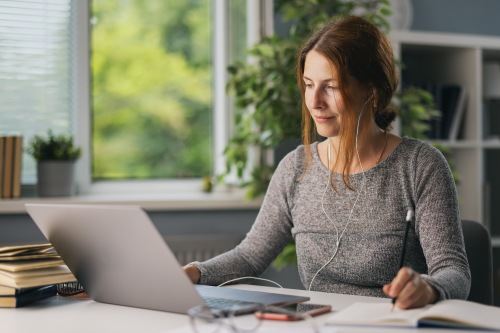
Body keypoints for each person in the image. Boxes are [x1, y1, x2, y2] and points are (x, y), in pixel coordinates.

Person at [183, 15, 470, 309]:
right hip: (316, 323)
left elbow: (454, 271)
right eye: (309, 85)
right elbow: (249, 256)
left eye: (330, 87)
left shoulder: (420, 165)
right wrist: (192, 273)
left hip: (390, 324)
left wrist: (429, 287)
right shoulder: (295, 168)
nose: (315, 101)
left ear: (371, 89)